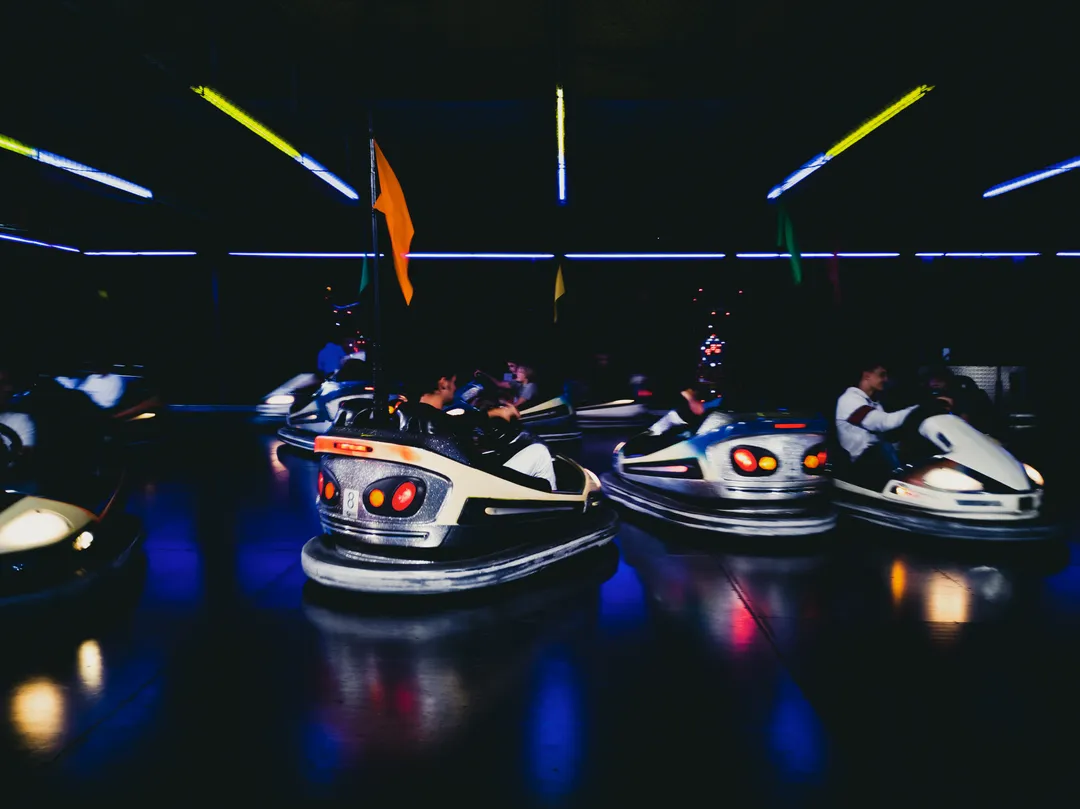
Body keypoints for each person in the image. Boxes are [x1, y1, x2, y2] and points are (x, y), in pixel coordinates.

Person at [400, 363, 557, 488]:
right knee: (540, 453)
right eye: (453, 383)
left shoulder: (411, 414)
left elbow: (456, 422)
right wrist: (495, 413)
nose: (455, 388)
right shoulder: (438, 421)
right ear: (443, 385)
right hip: (475, 485)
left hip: (454, 482)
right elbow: (456, 422)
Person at [835, 361, 923, 484]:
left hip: (876, 459)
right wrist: (919, 409)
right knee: (880, 450)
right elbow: (883, 423)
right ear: (867, 376)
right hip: (860, 462)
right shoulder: (850, 400)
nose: (885, 379)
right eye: (882, 375)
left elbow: (884, 433)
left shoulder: (872, 403)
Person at [924, 364, 994, 433]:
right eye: (931, 380)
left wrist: (953, 409)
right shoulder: (928, 395)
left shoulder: (964, 392)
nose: (934, 383)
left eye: (938, 380)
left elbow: (966, 424)